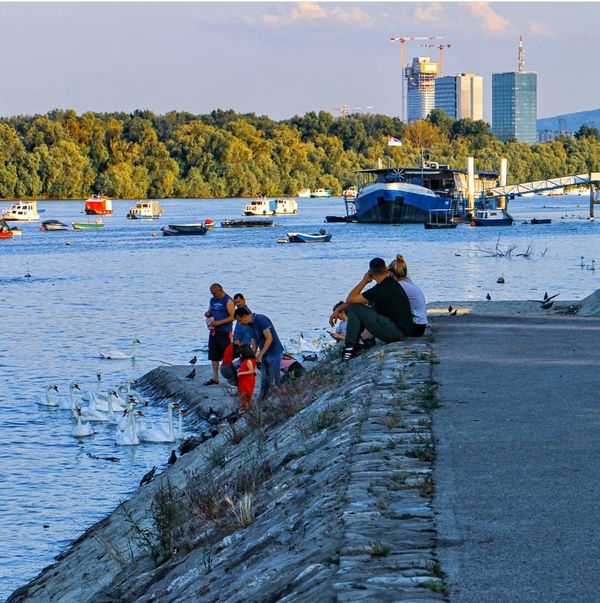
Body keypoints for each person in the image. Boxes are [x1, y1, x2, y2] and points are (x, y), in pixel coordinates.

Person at [329, 257, 421, 361]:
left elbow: (351, 299)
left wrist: (364, 281)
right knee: (361, 307)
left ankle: (349, 349)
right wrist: (338, 310)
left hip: (397, 333)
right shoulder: (389, 283)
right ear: (386, 269)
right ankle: (363, 342)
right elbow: (354, 300)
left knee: (355, 309)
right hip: (402, 330)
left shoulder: (379, 290)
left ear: (371, 272)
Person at [234, 307, 284, 400]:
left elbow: (269, 338)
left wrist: (260, 354)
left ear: (245, 316)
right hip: (264, 353)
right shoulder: (249, 325)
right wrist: (252, 356)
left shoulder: (261, 320)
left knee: (275, 379)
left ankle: (280, 401)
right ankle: (261, 402)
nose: (239, 323)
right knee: (264, 380)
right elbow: (254, 341)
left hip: (274, 352)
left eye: (240, 320)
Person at [387, 254, 427, 336]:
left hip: (415, 327)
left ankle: (366, 337)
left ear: (390, 272)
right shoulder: (408, 283)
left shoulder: (399, 286)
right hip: (420, 325)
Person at [204, 283, 235, 385]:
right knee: (213, 354)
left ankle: (231, 377)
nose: (214, 295)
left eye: (215, 293)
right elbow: (210, 310)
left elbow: (233, 317)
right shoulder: (212, 300)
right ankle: (215, 378)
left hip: (225, 331)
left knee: (227, 354)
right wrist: (208, 313)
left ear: (220, 290)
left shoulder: (228, 300)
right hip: (214, 330)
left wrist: (219, 322)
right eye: (212, 294)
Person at [236, 344, 256, 413]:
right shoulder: (248, 360)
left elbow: (251, 371)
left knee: (244, 395)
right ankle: (250, 409)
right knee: (246, 396)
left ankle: (244, 409)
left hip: (247, 380)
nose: (240, 355)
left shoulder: (248, 360)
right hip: (244, 380)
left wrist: (240, 373)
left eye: (241, 353)